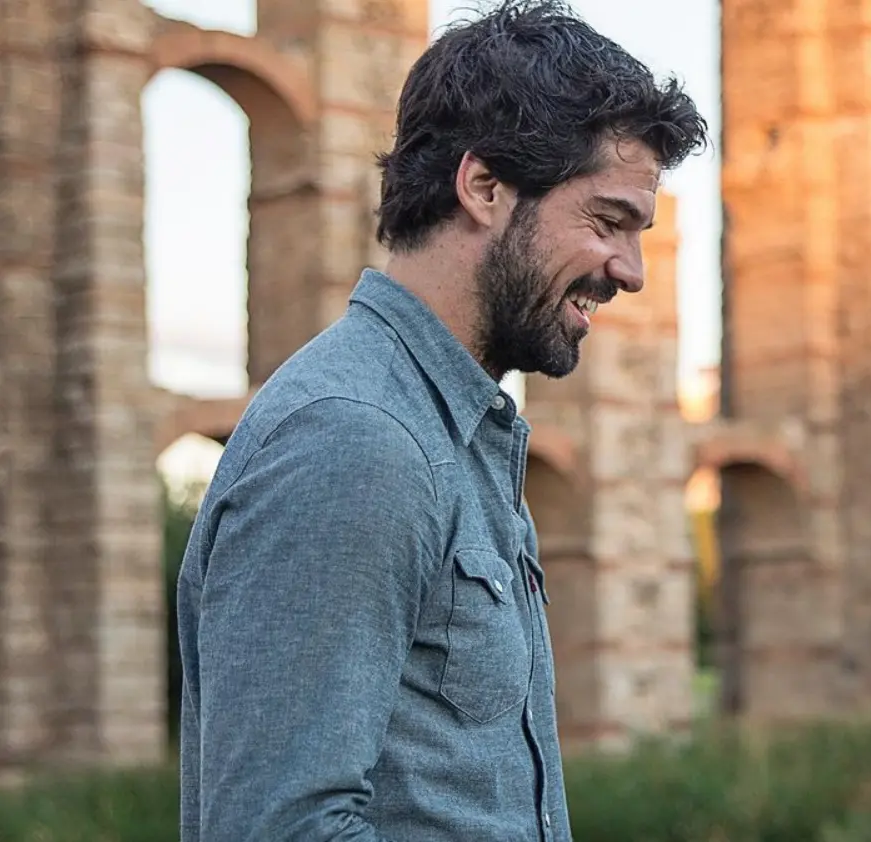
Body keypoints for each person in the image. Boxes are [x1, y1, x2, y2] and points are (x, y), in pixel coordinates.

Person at [175, 1, 708, 840]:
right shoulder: (354, 441)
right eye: (607, 222)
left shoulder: (446, 433)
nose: (630, 272)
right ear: (484, 186)